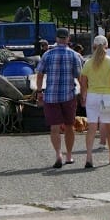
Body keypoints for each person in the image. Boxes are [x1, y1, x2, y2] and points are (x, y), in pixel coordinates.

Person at [35, 27, 83, 168]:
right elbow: (79, 76)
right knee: (69, 126)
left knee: (54, 127)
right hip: (68, 95)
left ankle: (58, 155)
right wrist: (84, 93)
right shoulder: (75, 55)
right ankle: (69, 155)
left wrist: (39, 91)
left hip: (51, 96)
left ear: (56, 39)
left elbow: (39, 74)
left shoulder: (47, 55)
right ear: (68, 39)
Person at [80, 35, 110, 168]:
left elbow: (83, 82)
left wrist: (83, 96)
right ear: (106, 46)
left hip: (92, 96)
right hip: (108, 97)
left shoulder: (88, 62)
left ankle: (89, 157)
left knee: (92, 127)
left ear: (93, 47)